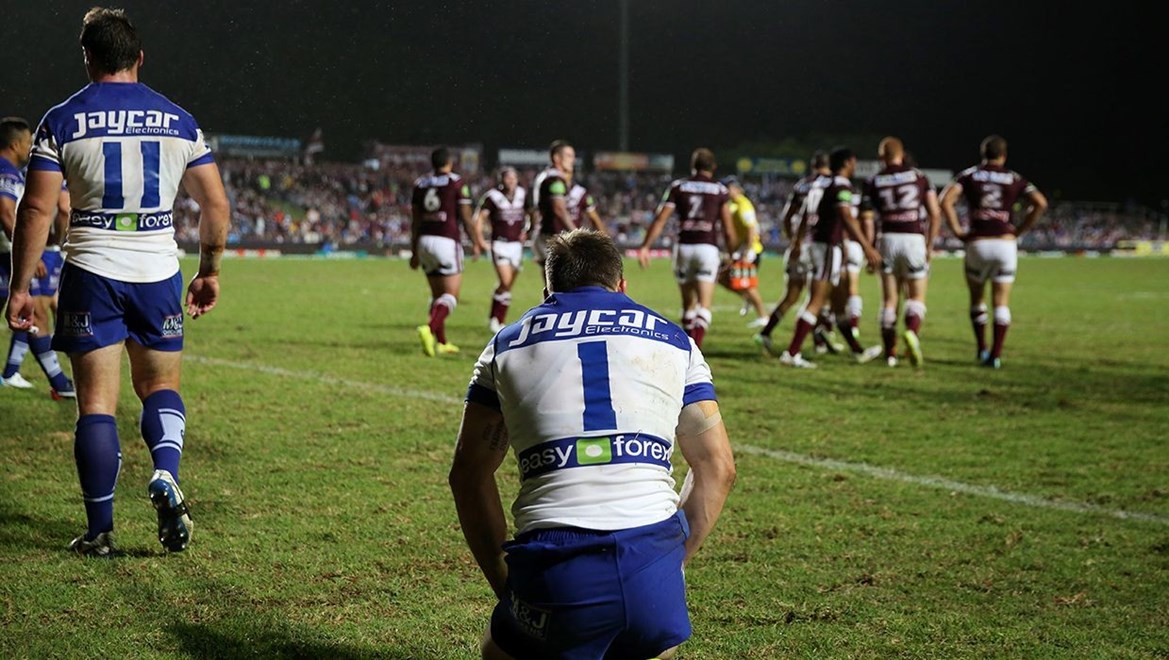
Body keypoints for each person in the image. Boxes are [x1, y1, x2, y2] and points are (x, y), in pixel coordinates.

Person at [5, 7, 230, 556]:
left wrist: (19, 288)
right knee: (160, 387)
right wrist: (209, 271)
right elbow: (216, 205)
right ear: (140, 58)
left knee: (96, 406)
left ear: (88, 58)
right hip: (157, 273)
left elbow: (35, 210)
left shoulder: (62, 119)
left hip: (91, 272)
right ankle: (166, 470)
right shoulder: (179, 121)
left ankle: (101, 532)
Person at [450, 228, 735, 660]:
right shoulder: (677, 340)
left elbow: (468, 476)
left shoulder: (505, 345)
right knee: (654, 644)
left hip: (556, 571)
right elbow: (718, 469)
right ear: (622, 285)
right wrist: (667, 564)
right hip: (651, 576)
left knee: (498, 649)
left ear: (547, 290)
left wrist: (504, 582)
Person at [940, 134, 1047, 368]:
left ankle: (981, 348)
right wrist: (1019, 230)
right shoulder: (1014, 177)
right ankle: (995, 356)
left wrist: (957, 230)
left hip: (978, 242)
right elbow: (1040, 202)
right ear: (1004, 156)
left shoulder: (969, 175)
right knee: (1001, 301)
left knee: (977, 298)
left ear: (983, 154)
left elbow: (945, 200)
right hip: (1004, 243)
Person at [777, 147, 882, 368]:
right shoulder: (841, 184)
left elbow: (804, 214)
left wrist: (798, 241)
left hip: (814, 244)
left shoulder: (819, 184)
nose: (855, 166)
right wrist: (867, 247)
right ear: (847, 162)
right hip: (826, 246)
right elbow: (846, 216)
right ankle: (792, 353)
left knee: (839, 302)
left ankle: (857, 351)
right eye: (854, 162)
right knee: (816, 301)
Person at [637, 148, 737, 349]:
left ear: (693, 166)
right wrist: (732, 254)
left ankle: (686, 348)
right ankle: (694, 351)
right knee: (704, 306)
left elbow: (660, 219)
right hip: (707, 248)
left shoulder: (678, 187)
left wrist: (646, 246)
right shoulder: (719, 190)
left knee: (688, 305)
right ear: (713, 167)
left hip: (683, 248)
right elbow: (728, 229)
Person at [859, 136, 940, 367]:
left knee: (889, 301)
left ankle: (890, 354)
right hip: (914, 239)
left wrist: (869, 248)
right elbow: (935, 213)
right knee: (916, 297)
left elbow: (867, 219)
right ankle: (912, 332)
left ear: (881, 157)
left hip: (887, 240)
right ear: (902, 155)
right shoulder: (919, 177)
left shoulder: (873, 180)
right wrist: (929, 246)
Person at [754, 151, 843, 355]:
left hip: (798, 248)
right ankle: (817, 342)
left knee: (791, 297)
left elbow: (787, 216)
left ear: (812, 165)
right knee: (820, 297)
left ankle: (765, 333)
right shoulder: (830, 184)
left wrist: (794, 241)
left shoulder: (802, 185)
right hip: (819, 245)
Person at [410, 146, 486, 356]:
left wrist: (414, 251)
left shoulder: (420, 183)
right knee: (451, 296)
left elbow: (415, 220)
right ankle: (429, 329)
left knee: (437, 296)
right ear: (450, 163)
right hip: (446, 240)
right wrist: (476, 242)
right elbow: (466, 217)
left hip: (424, 240)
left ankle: (441, 342)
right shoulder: (456, 182)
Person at [474, 166, 530, 333]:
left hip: (516, 245)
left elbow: (532, 213)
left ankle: (496, 319)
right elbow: (480, 218)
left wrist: (528, 230)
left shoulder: (522, 194)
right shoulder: (492, 197)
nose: (511, 181)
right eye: (508, 178)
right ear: (501, 180)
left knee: (507, 286)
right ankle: (497, 320)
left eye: (514, 178)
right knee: (505, 282)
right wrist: (480, 240)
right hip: (500, 243)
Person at [718, 176, 768, 326]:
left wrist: (747, 252)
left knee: (747, 285)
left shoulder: (743, 204)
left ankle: (763, 317)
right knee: (721, 278)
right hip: (740, 250)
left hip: (750, 250)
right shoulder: (732, 205)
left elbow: (751, 228)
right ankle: (748, 299)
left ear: (735, 189)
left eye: (727, 188)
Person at [529, 140, 578, 272]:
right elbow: (559, 209)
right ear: (556, 158)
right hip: (551, 237)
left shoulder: (546, 175)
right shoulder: (555, 179)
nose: (573, 160)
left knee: (553, 283)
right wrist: (576, 232)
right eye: (569, 156)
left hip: (543, 235)